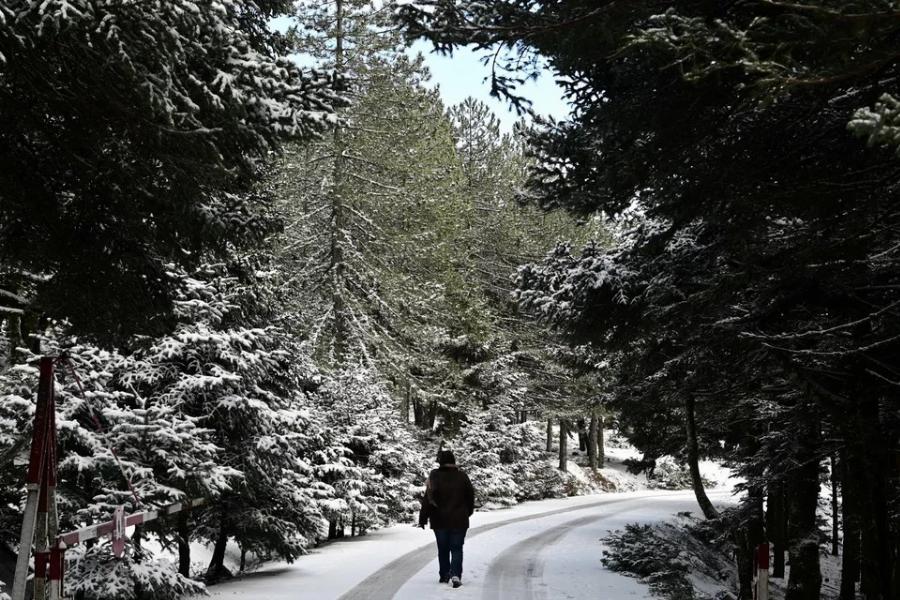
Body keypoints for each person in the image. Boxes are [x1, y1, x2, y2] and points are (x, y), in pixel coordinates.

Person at [418, 449, 475, 588]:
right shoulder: (462, 477)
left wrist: (423, 518)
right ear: (453, 462)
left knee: (443, 549)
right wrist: (467, 512)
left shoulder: (434, 476)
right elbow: (470, 497)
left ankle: (444, 575)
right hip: (459, 520)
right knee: (456, 548)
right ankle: (456, 574)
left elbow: (427, 499)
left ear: (441, 462)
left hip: (439, 520)